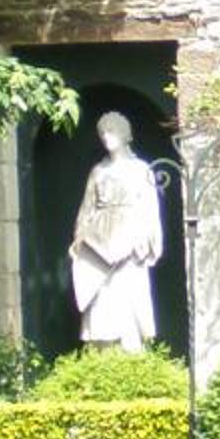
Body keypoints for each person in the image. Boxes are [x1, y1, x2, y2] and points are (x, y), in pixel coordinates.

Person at [68, 111, 164, 350]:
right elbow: (87, 209)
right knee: (102, 300)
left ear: (124, 133)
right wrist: (79, 239)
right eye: (102, 132)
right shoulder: (98, 171)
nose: (106, 137)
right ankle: (104, 353)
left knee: (128, 298)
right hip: (99, 242)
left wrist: (146, 239)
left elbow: (150, 208)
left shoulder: (140, 169)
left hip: (130, 242)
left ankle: (131, 352)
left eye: (111, 131)